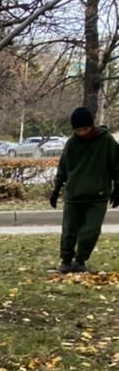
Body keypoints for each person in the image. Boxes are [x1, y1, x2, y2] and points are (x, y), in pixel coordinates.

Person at [50, 107, 119, 273]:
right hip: (74, 194)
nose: (82, 133)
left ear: (92, 126)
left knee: (91, 231)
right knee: (69, 231)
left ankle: (80, 260)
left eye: (85, 129)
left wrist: (118, 187)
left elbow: (117, 165)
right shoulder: (72, 143)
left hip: (98, 195)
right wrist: (57, 188)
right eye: (78, 130)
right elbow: (63, 168)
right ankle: (66, 260)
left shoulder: (106, 141)